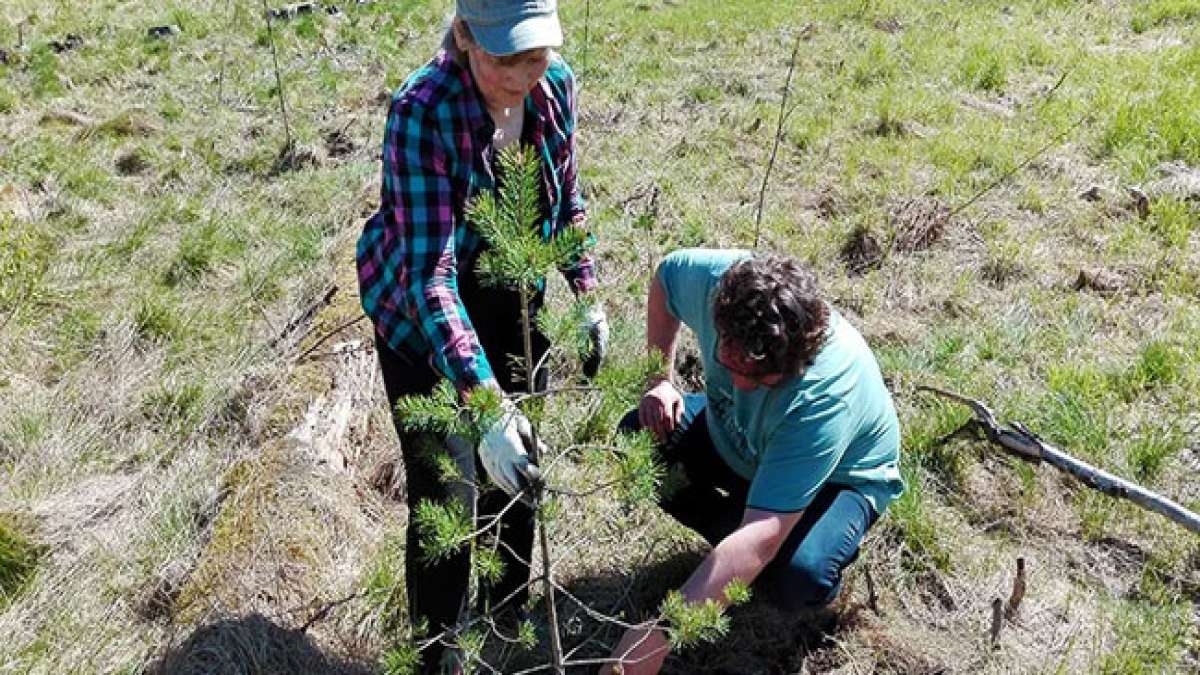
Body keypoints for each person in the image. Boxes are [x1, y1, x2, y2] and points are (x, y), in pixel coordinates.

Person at [355, 1, 606, 671]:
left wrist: (584, 292)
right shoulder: (423, 110)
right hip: (420, 310)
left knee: (518, 469)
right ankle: (436, 652)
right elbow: (431, 279)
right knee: (449, 496)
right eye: (504, 59)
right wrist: (485, 404)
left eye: (537, 55)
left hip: (513, 292)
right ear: (465, 37)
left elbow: (566, 196)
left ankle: (507, 621)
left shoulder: (557, 87)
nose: (523, 76)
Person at [605, 248, 903, 674]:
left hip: (839, 479)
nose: (741, 386)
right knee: (641, 438)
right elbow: (665, 279)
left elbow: (762, 535)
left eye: (761, 379)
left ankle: (767, 562)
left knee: (797, 576)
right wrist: (659, 381)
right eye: (731, 364)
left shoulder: (823, 395)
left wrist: (660, 635)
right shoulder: (714, 284)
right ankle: (735, 560)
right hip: (740, 441)